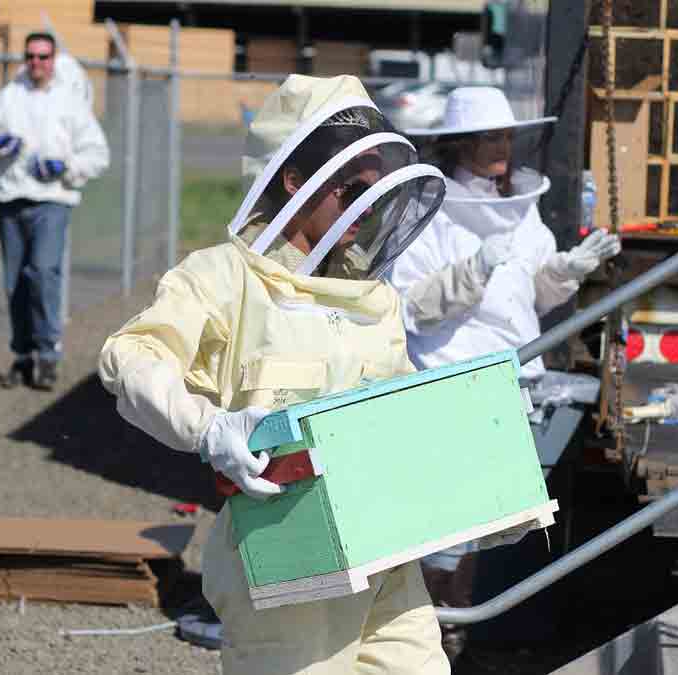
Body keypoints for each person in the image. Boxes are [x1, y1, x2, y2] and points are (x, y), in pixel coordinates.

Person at [98, 74, 466, 674]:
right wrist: (209, 429)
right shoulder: (223, 279)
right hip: (287, 561)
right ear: (296, 181)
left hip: (386, 554)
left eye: (375, 193)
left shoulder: (371, 295)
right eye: (351, 190)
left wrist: (464, 499)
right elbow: (131, 357)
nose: (365, 208)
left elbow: (401, 415)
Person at [386, 85, 622, 663]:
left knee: (483, 525)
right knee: (441, 526)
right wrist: (471, 271)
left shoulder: (521, 205)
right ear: (460, 143)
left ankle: (453, 639)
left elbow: (530, 297)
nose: (502, 147)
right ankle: (422, 640)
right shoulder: (429, 211)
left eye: (507, 136)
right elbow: (410, 306)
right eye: (490, 136)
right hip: (449, 379)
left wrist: (568, 270)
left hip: (514, 376)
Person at [0, 32, 110, 390]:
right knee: (16, 281)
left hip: (52, 201)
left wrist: (65, 167)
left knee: (43, 272)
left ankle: (48, 353)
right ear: (24, 59)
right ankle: (23, 354)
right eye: (30, 56)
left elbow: (97, 154)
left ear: (53, 59)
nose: (36, 63)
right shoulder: (8, 99)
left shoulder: (69, 103)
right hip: (11, 199)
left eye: (44, 57)